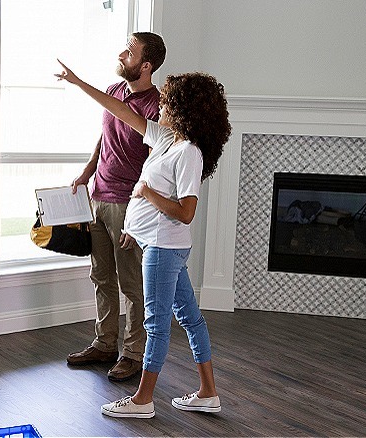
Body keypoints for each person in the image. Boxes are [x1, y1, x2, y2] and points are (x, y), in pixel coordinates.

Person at [55, 60, 231, 418]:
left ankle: (142, 400)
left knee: (156, 322)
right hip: (158, 243)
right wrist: (78, 83)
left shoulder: (189, 153)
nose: (160, 107)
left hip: (166, 248)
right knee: (191, 319)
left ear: (183, 110)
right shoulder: (166, 139)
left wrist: (146, 194)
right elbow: (119, 110)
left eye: (167, 103)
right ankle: (208, 392)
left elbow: (185, 211)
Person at [65, 32, 167, 383]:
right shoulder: (113, 91)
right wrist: (86, 172)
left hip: (128, 206)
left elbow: (155, 167)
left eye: (130, 51)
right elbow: (104, 137)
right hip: (98, 197)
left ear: (146, 65)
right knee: (101, 276)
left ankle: (133, 353)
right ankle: (104, 343)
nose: (122, 54)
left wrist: (137, 218)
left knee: (132, 284)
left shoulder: (157, 107)